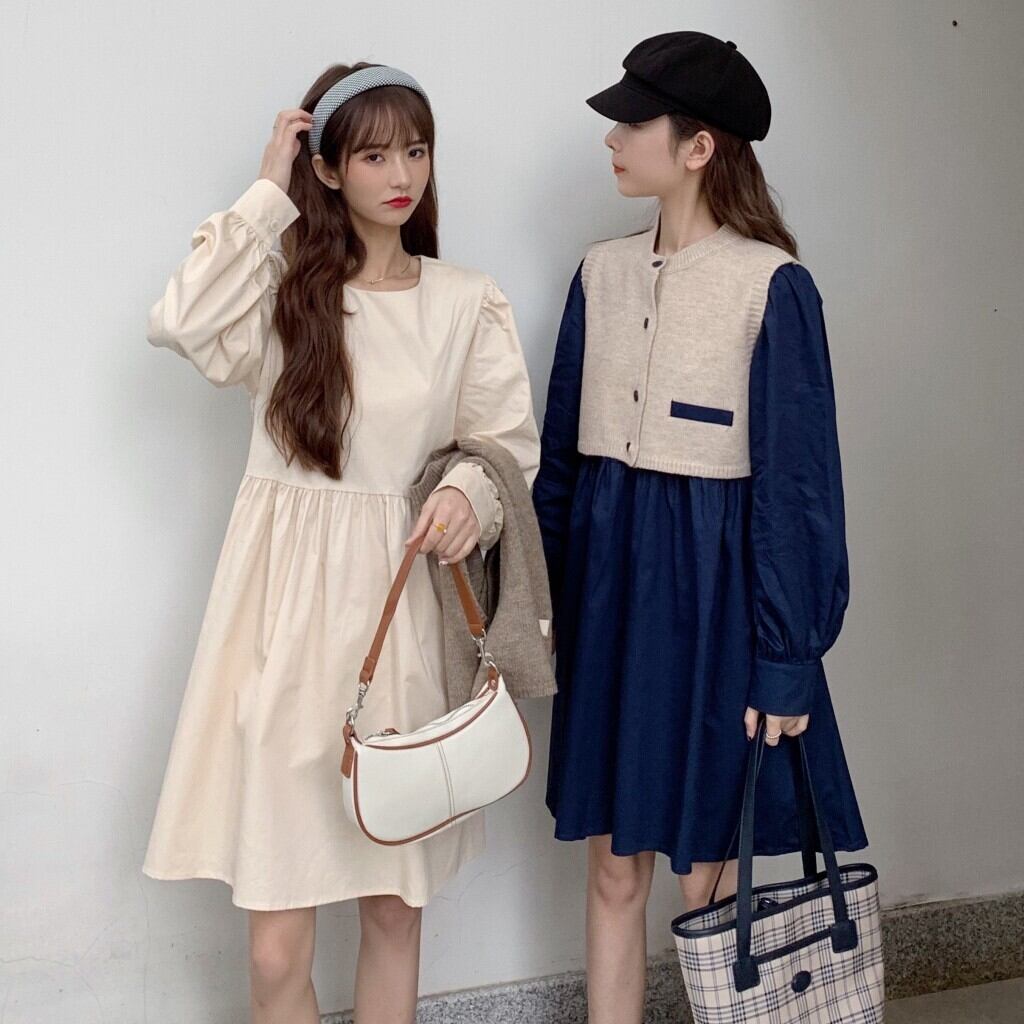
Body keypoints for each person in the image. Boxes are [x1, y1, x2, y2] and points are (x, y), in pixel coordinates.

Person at [142, 62, 540, 1024]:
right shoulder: (280, 294)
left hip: (399, 623)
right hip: (279, 628)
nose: (401, 174)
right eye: (372, 155)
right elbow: (181, 322)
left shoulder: (465, 301)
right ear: (325, 168)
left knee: (391, 913)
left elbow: (505, 444)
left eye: (416, 150)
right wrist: (265, 187)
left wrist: (466, 495)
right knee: (276, 944)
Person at [531, 32, 869, 1023]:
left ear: (698, 147)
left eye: (632, 122)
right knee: (610, 864)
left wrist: (785, 660)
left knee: (708, 886)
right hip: (608, 599)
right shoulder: (599, 274)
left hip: (715, 606)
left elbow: (798, 491)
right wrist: (538, 611)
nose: (611, 138)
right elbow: (561, 464)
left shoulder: (771, 286)